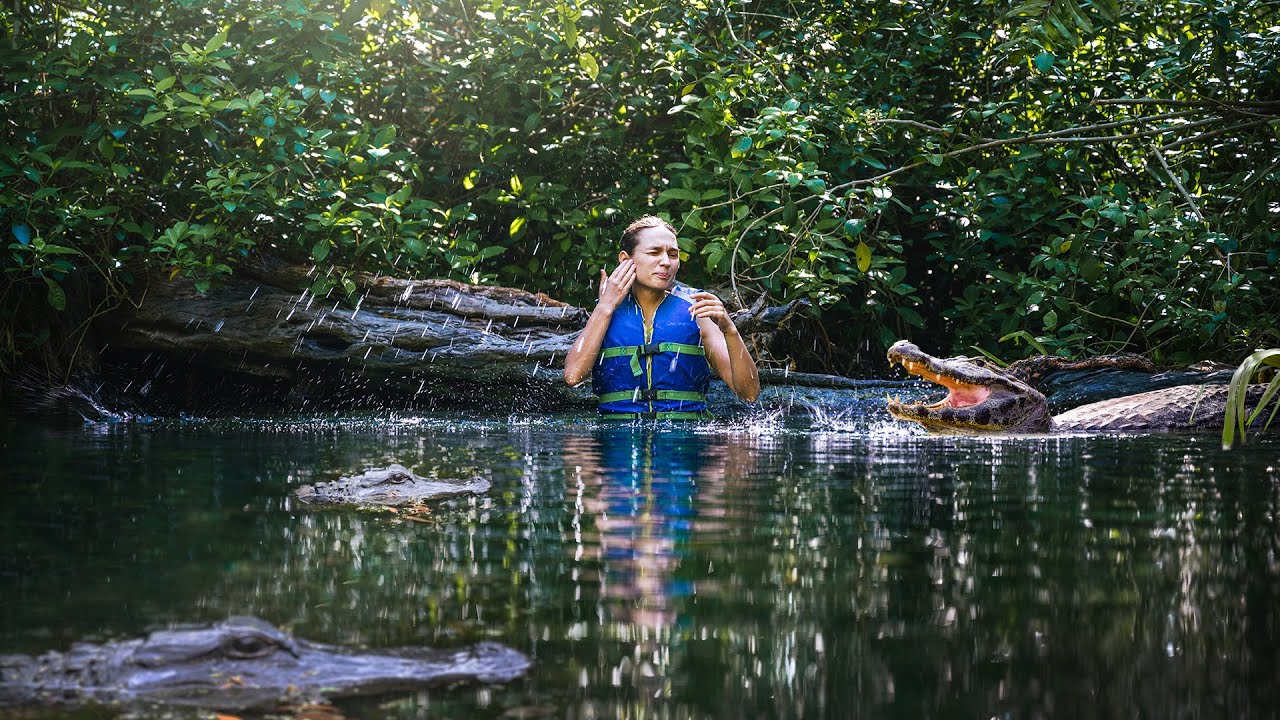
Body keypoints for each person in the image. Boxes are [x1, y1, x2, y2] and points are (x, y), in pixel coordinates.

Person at [562, 215, 760, 418]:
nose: (665, 262)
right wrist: (604, 307)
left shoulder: (697, 310)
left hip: (684, 439)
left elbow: (749, 393)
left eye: (673, 255)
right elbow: (573, 376)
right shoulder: (607, 311)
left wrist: (729, 329)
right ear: (625, 259)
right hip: (617, 440)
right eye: (654, 252)